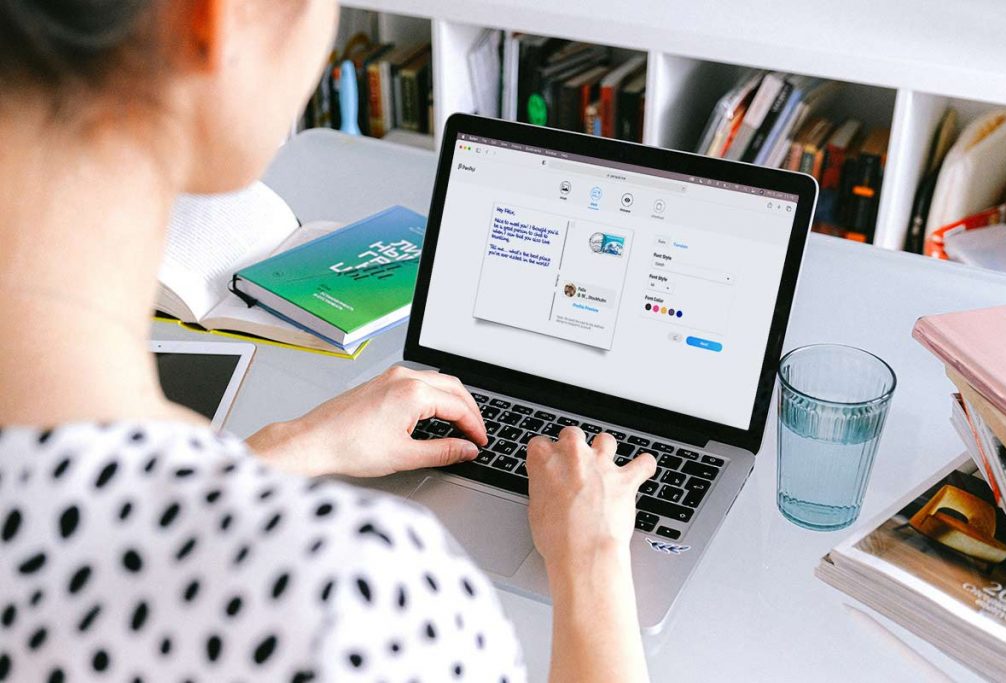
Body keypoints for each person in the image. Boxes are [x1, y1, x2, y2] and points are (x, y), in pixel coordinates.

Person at [0, 1, 657, 681]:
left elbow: (116, 545)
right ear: (216, 22)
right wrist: (592, 558)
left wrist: (286, 448)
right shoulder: (351, 599)